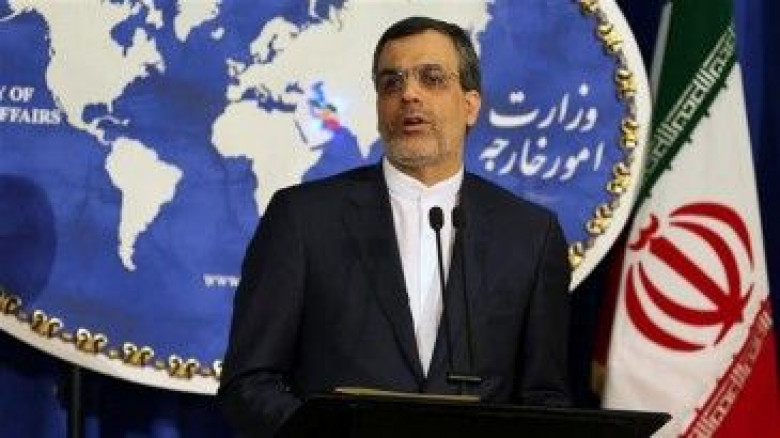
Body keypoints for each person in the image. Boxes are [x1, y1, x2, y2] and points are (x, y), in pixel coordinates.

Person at [217, 16, 572, 437]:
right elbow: (250, 382)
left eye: (432, 79)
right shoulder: (302, 218)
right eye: (391, 83)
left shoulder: (530, 235)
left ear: (471, 105)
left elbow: (544, 399)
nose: (409, 94)